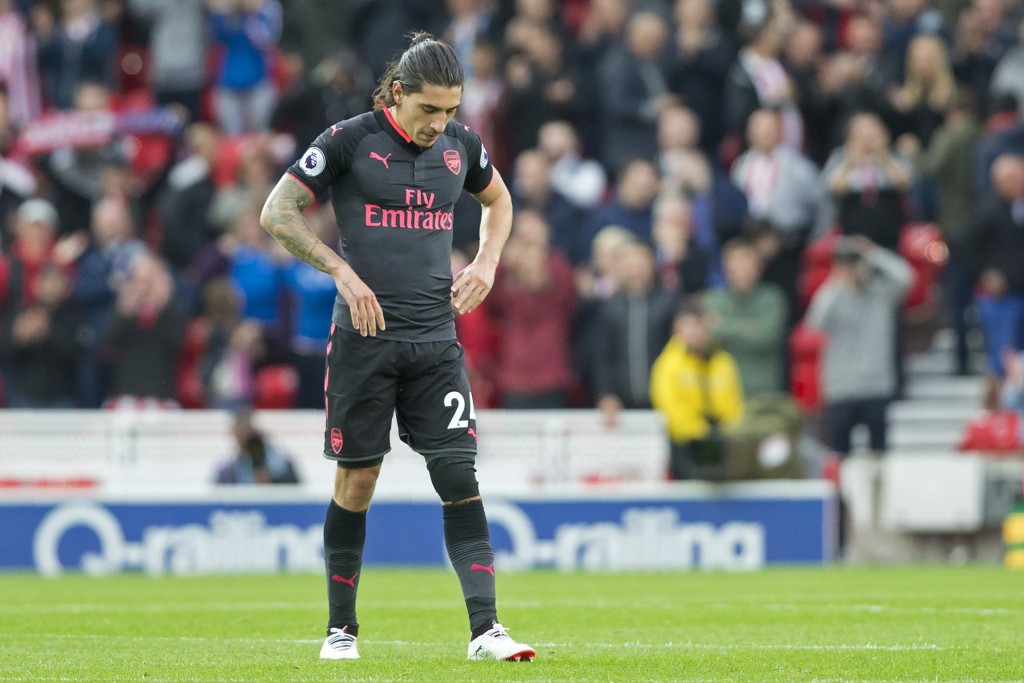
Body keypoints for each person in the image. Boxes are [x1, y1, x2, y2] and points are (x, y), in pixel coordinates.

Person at [259, 33, 534, 662]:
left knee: (459, 476)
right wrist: (343, 273)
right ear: (397, 94)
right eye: (428, 110)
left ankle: (486, 631)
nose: (441, 124)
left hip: (436, 339)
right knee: (357, 482)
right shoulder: (349, 141)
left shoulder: (462, 148)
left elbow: (500, 201)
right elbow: (278, 212)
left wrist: (488, 261)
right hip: (364, 342)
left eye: (451, 111)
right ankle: (340, 631)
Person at [806, 236, 912, 457]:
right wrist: (837, 281)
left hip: (876, 386)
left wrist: (875, 254)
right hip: (841, 389)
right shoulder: (834, 296)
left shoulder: (881, 294)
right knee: (840, 456)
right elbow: (815, 321)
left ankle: (877, 492)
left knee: (879, 454)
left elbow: (907, 277)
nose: (853, 268)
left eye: (855, 262)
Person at [650, 299, 744, 480]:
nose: (695, 332)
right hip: (687, 441)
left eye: (699, 325)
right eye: (688, 326)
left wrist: (726, 431)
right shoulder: (669, 364)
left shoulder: (723, 362)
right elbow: (670, 406)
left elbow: (734, 402)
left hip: (722, 438)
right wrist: (701, 433)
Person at [215, 407, 300, 484]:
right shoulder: (229, 469)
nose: (244, 436)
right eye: (240, 432)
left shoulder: (280, 461)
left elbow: (294, 487)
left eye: (247, 430)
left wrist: (272, 480)